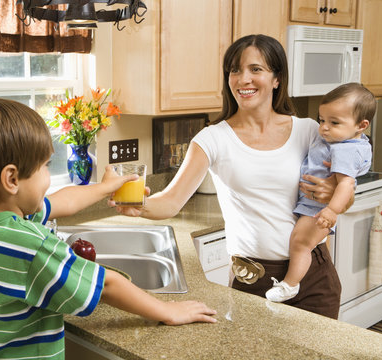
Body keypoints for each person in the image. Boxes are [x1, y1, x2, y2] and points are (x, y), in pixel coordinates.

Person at [0, 98, 217, 359]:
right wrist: (166, 311)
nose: (48, 177)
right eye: (45, 167)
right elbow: (105, 284)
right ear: (12, 179)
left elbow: (61, 201)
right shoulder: (33, 247)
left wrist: (104, 188)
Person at [110, 34, 345, 319]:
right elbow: (171, 201)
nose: (243, 79)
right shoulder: (213, 139)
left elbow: (345, 186)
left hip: (315, 276)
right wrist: (139, 206)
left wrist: (332, 192)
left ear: (277, 79)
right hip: (254, 278)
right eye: (235, 70)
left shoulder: (308, 131)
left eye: (255, 69)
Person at [266, 83, 375, 302]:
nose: (324, 127)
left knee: (301, 243)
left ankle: (290, 285)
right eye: (322, 120)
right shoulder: (340, 139)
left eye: (334, 122)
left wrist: (332, 210)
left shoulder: (346, 149)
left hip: (317, 208)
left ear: (361, 125)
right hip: (313, 206)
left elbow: (345, 184)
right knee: (302, 242)